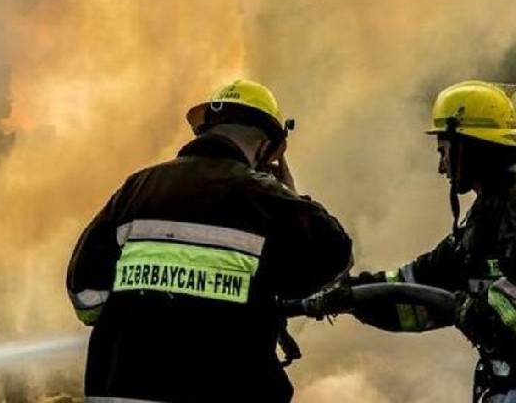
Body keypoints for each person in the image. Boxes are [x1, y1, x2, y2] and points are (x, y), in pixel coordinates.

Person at [66, 78, 353, 402]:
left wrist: (143, 313)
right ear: (267, 149)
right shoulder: (266, 198)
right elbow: (337, 257)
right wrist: (293, 196)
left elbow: (84, 295)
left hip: (121, 391)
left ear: (205, 131)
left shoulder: (137, 188)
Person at [348, 80, 516, 402]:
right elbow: (421, 286)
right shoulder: (485, 217)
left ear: (468, 145)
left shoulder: (511, 206)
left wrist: (475, 310)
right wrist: (350, 295)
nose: (441, 167)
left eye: (444, 151)